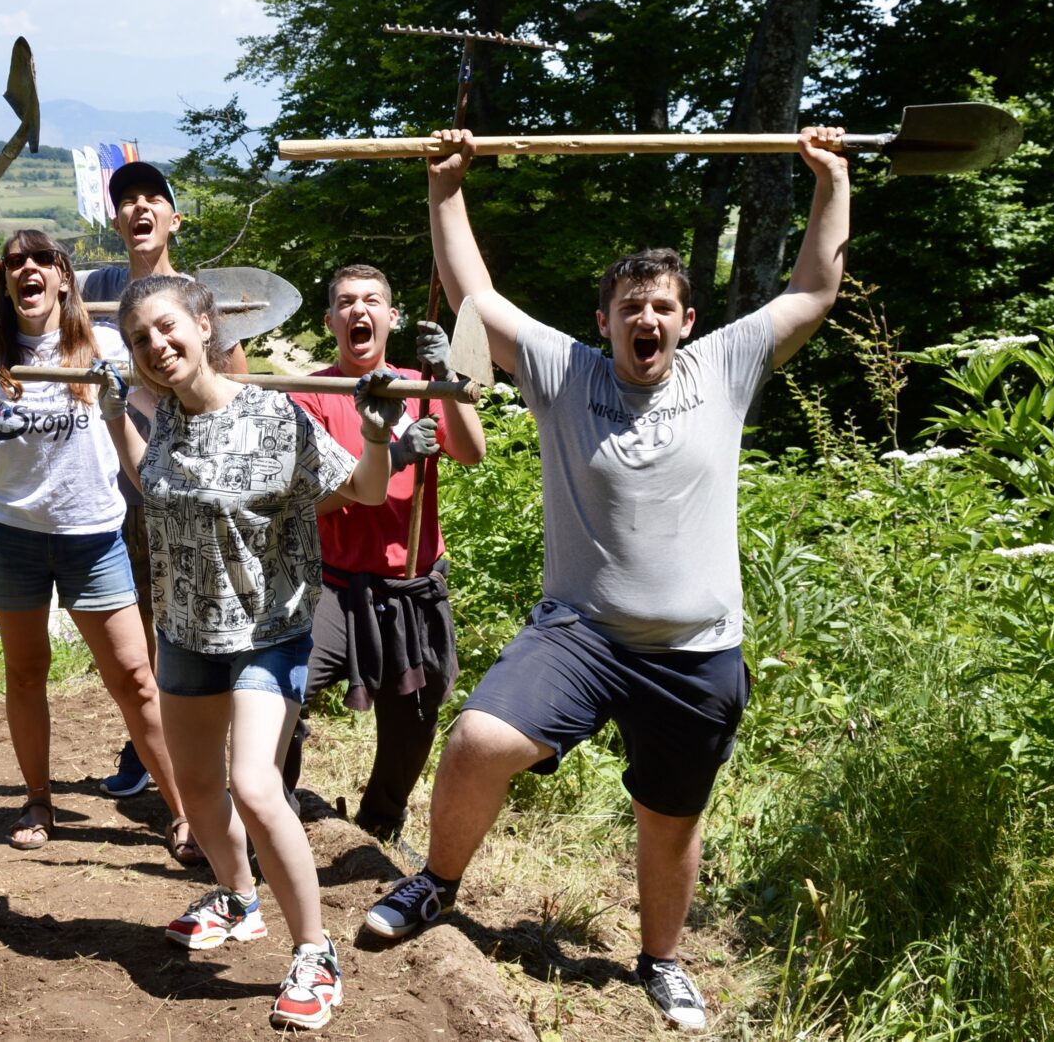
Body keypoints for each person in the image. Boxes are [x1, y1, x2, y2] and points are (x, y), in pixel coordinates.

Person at [362, 126, 850, 1035]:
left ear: (686, 321)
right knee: (478, 739)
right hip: (580, 634)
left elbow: (813, 290)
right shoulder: (566, 374)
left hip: (697, 653)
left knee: (669, 815)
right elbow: (476, 299)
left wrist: (831, 180)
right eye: (631, 306)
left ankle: (661, 961)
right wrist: (446, 187)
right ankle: (436, 882)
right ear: (604, 322)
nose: (646, 320)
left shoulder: (725, 367)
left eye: (662, 306)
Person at [97, 274, 397, 1033]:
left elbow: (364, 491)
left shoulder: (275, 415)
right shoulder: (163, 417)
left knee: (256, 785)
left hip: (269, 631)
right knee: (197, 787)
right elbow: (151, 483)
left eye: (167, 328)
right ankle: (237, 899)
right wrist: (112, 415)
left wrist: (378, 434)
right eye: (140, 339)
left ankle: (315, 953)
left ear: (205, 326)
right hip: (186, 630)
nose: (157, 345)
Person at [0, 229, 193, 858]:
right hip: (10, 536)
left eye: (41, 260)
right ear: (6, 282)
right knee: (26, 674)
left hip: (93, 537)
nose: (27, 268)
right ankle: (37, 799)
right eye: (15, 262)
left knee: (136, 677)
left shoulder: (105, 345)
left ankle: (185, 812)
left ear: (63, 277)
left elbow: (179, 378)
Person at [280, 264, 486, 842]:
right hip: (332, 584)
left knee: (415, 716)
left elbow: (472, 451)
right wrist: (394, 457)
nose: (359, 310)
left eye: (372, 300)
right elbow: (308, 500)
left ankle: (379, 823)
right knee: (284, 692)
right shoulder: (312, 394)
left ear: (392, 317)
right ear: (331, 321)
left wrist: (448, 377)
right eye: (346, 302)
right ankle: (274, 815)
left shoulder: (420, 385)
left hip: (411, 587)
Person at [76, 159, 247, 806]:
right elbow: (23, 299)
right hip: (119, 492)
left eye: (154, 197)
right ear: (116, 220)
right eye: (127, 200)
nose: (140, 207)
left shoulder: (198, 299)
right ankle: (146, 745)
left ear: (174, 219)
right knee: (142, 624)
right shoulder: (97, 287)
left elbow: (239, 384)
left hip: (192, 491)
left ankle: (226, 751)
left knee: (199, 618)